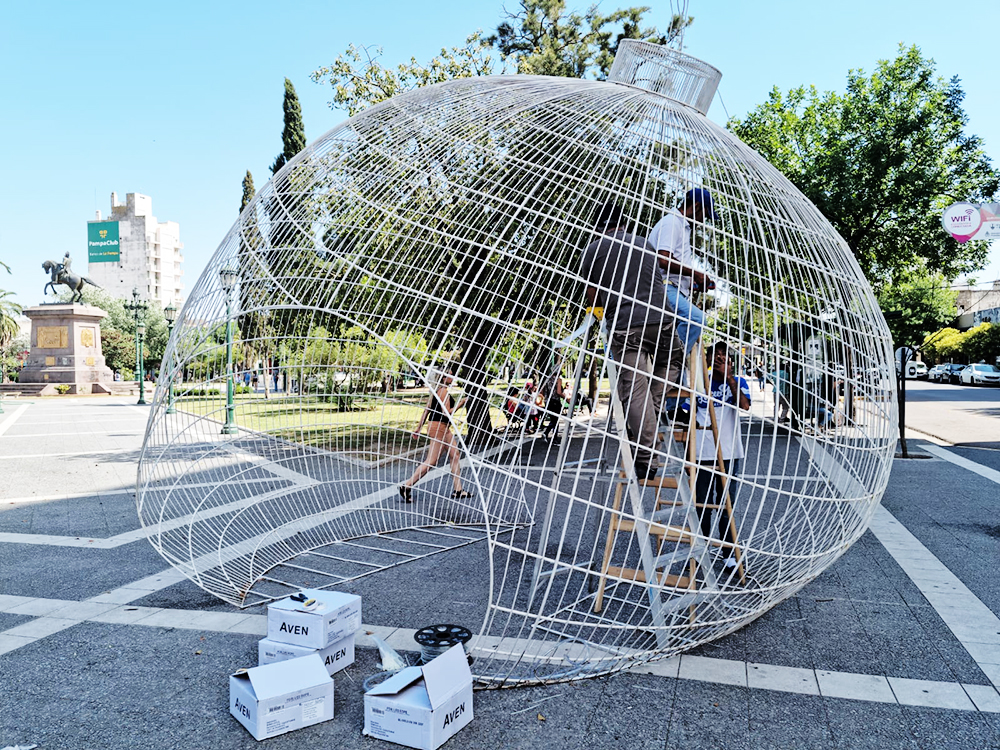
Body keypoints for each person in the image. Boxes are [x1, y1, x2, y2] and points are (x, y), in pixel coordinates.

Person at [580, 202, 685, 478]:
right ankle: (651, 411)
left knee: (635, 391)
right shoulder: (642, 243)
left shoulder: (593, 250)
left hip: (626, 325)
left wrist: (602, 315)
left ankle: (646, 457)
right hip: (662, 321)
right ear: (624, 224)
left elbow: (592, 292)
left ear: (598, 227)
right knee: (674, 361)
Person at [685, 342, 751, 569]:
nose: (721, 358)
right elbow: (689, 416)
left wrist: (730, 379)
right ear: (708, 360)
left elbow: (745, 406)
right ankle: (699, 552)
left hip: (729, 452)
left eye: (725, 355)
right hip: (703, 452)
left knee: (726, 504)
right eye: (716, 355)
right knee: (701, 504)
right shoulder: (699, 382)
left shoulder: (738, 382)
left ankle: (729, 554)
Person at [646, 188, 719, 353]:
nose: (703, 222)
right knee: (696, 319)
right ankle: (670, 362)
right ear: (697, 206)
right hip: (664, 288)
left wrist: (692, 282)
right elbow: (663, 258)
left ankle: (671, 365)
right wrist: (695, 273)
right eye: (704, 215)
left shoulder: (681, 226)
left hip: (673, 289)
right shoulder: (672, 222)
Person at [398, 369, 473, 502]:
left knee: (454, 454)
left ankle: (458, 490)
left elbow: (427, 409)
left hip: (442, 427)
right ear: (443, 378)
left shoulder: (435, 391)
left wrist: (419, 427)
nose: (452, 376)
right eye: (449, 374)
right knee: (431, 461)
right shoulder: (442, 391)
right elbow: (446, 413)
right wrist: (461, 403)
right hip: (439, 427)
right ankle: (407, 486)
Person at [540, 371, 566, 440]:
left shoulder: (546, 379)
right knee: (556, 420)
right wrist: (566, 398)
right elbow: (559, 392)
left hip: (547, 402)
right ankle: (553, 437)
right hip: (555, 401)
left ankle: (547, 433)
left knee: (553, 419)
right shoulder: (558, 380)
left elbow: (541, 391)